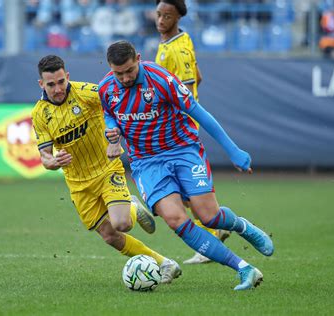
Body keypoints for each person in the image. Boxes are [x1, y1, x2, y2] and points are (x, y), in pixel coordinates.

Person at [99, 41, 274, 290]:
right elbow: (107, 113)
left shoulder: (161, 79)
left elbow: (199, 112)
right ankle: (244, 268)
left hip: (183, 150)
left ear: (138, 58)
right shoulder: (105, 88)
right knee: (175, 219)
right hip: (147, 162)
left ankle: (243, 226)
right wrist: (111, 129)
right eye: (119, 73)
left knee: (209, 216)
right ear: (110, 68)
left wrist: (232, 149)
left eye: (129, 70)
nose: (125, 78)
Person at [31, 55, 181, 284]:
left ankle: (130, 205)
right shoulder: (40, 114)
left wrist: (115, 138)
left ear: (67, 76)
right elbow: (45, 157)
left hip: (106, 168)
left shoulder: (88, 92)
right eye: (51, 84)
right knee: (110, 236)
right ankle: (165, 263)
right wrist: (53, 162)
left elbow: (118, 108)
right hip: (79, 183)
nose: (58, 88)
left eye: (61, 81)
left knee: (122, 224)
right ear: (41, 84)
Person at [154, 0, 230, 265]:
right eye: (159, 14)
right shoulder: (174, 42)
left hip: (179, 128)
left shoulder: (177, 48)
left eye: (167, 16)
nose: (161, 20)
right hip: (173, 126)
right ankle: (215, 228)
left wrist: (176, 116)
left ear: (178, 18)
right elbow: (199, 76)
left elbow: (187, 86)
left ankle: (212, 233)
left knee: (186, 187)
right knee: (185, 190)